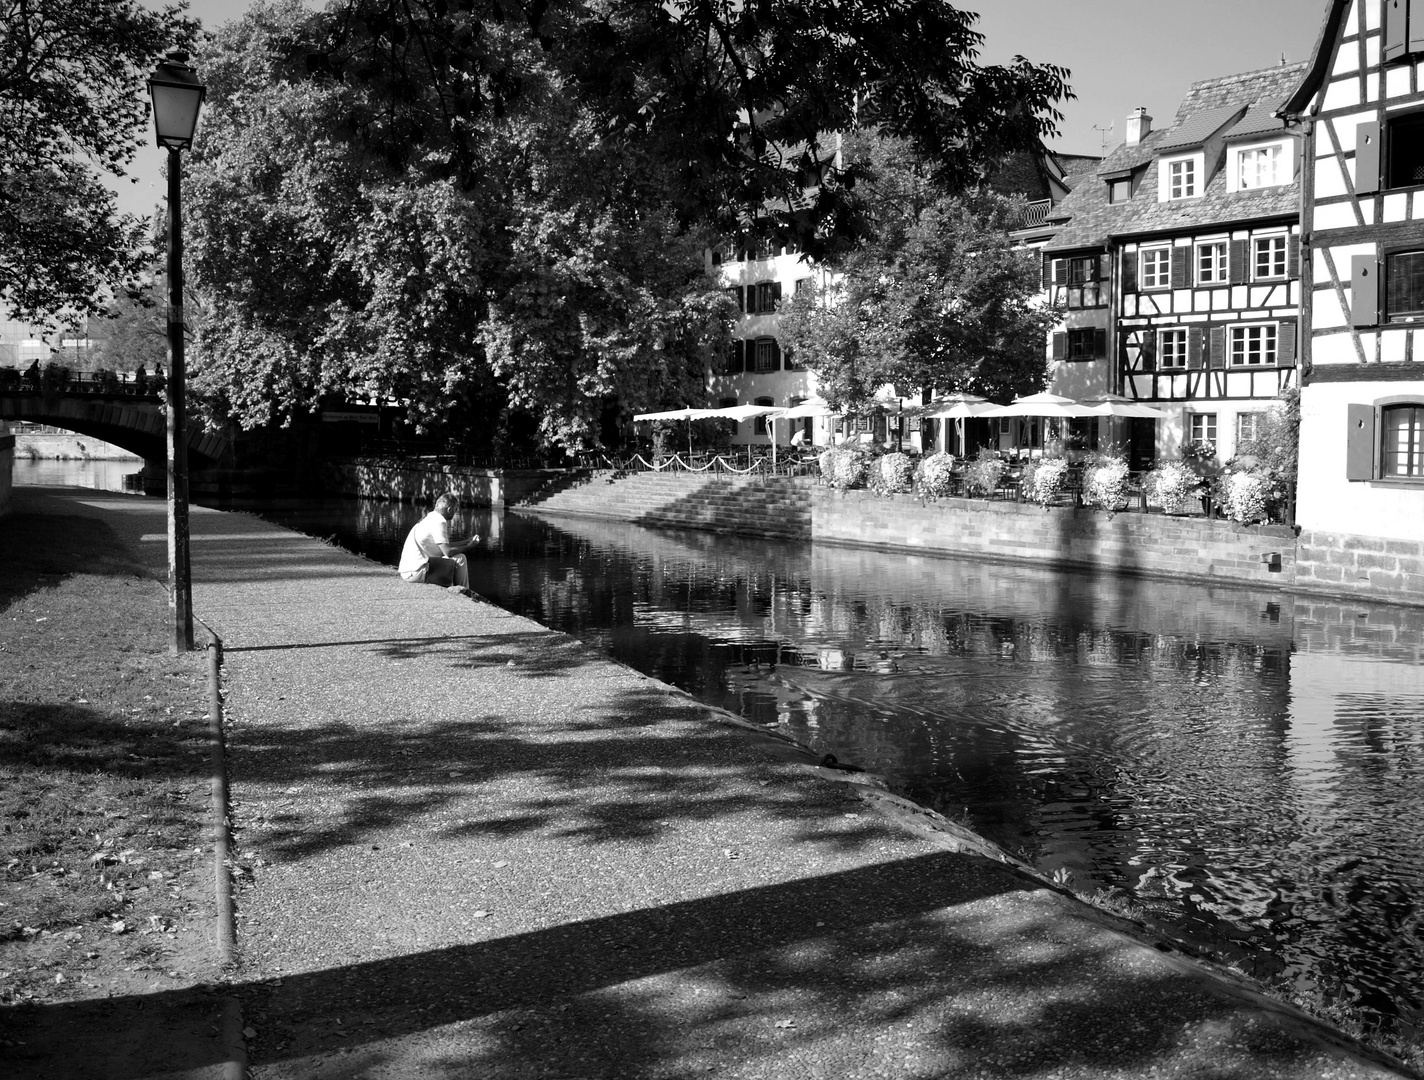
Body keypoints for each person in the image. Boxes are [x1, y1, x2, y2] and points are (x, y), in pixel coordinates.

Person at [398, 493, 479, 591]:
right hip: (416, 572)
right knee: (460, 558)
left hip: (408, 572)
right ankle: (464, 592)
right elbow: (447, 552)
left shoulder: (430, 517)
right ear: (449, 509)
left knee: (454, 558)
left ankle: (459, 589)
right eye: (455, 509)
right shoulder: (440, 521)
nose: (455, 512)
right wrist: (469, 547)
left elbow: (445, 546)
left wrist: (467, 541)